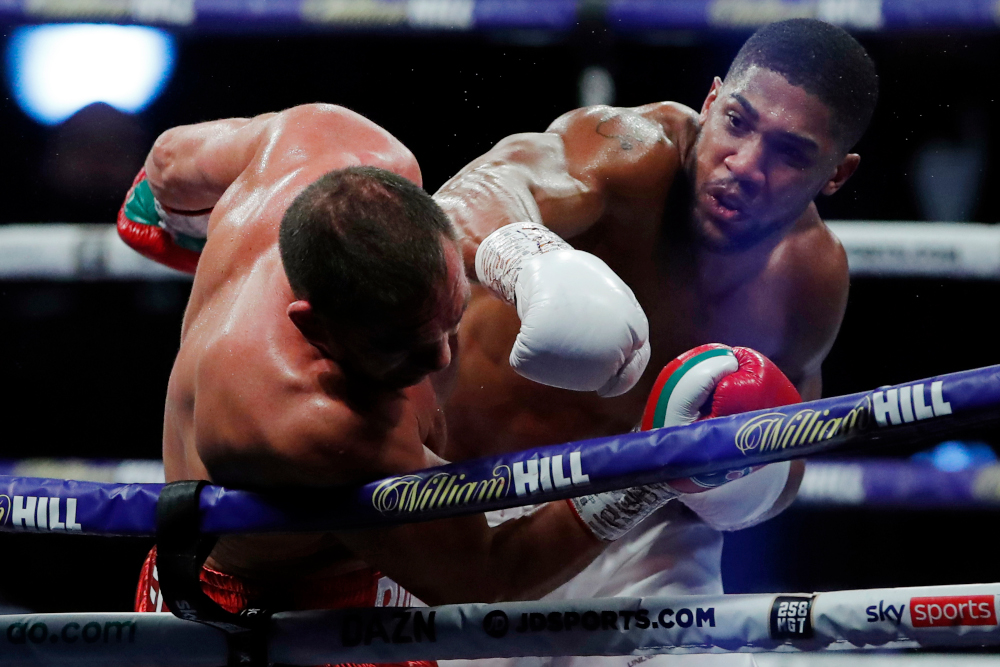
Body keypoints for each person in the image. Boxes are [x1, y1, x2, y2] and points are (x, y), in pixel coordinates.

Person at [117, 103, 778, 667]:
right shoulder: (311, 423)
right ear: (313, 328)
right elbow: (486, 573)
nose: (436, 359)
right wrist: (649, 466)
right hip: (264, 611)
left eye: (448, 318)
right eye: (400, 350)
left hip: (371, 565)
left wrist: (516, 261)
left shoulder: (332, 140)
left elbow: (168, 161)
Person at [433, 19, 877, 667]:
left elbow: (789, 454)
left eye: (790, 154)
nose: (745, 164)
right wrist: (532, 263)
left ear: (836, 174)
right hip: (469, 499)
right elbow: (471, 196)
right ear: (710, 99)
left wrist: (739, 482)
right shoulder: (628, 152)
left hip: (641, 536)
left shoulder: (807, 276)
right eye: (737, 121)